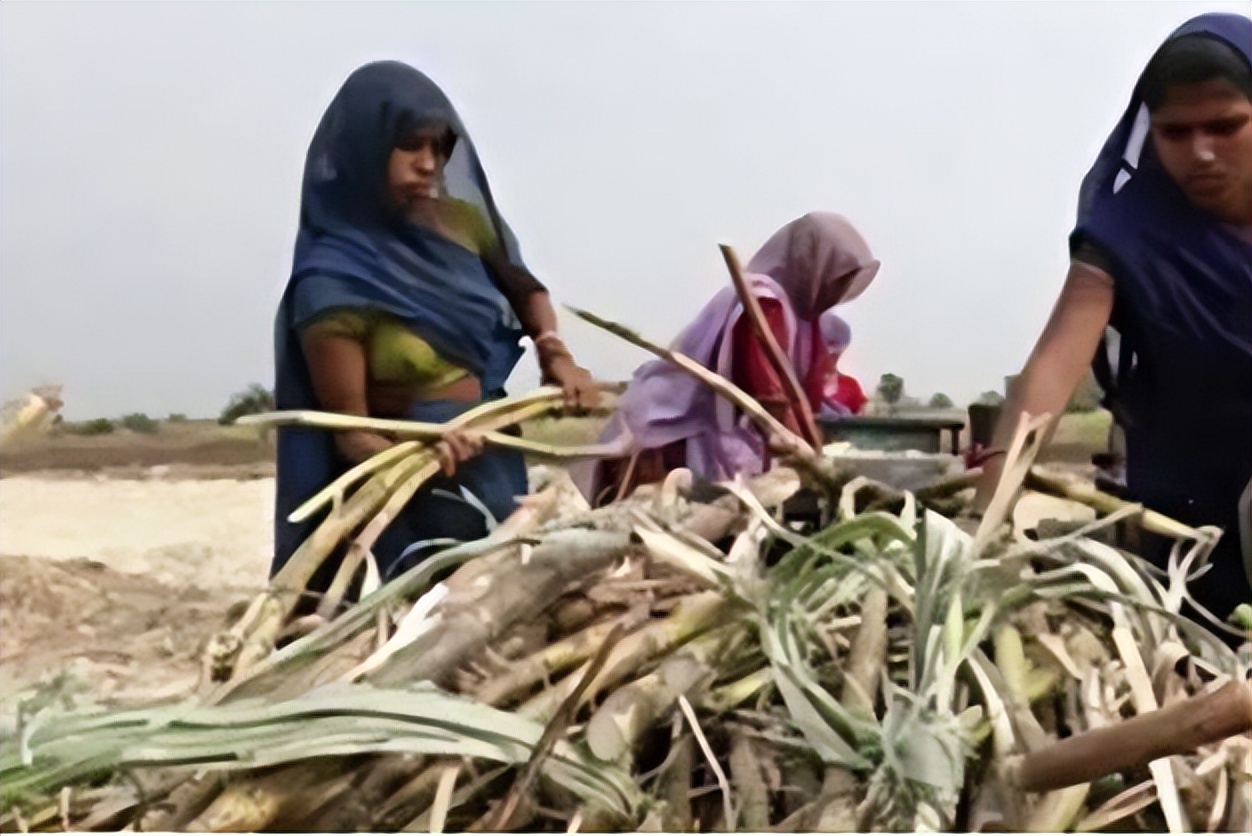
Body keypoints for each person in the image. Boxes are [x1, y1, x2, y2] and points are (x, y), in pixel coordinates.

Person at [271, 61, 598, 588]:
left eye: (439, 149)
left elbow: (526, 288)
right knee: (444, 606)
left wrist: (556, 353)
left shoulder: (461, 224)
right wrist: (427, 445)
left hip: (494, 448)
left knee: (517, 589)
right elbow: (350, 432)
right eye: (411, 146)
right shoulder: (331, 279)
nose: (428, 165)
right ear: (365, 146)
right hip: (418, 479)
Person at [972, 13, 1252, 625]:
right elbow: (1051, 369)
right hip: (1188, 510)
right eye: (1175, 132)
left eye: (1226, 126)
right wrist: (982, 528)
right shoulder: (1126, 232)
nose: (1201, 153)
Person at [580, 212, 879, 505]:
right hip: (679, 432)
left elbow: (808, 395)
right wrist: (808, 455)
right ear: (813, 265)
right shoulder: (765, 303)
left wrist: (819, 439)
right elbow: (769, 392)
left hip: (737, 430)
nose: (839, 290)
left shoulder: (807, 319)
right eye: (838, 279)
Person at [817, 311, 869, 418]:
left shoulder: (850, 386)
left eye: (835, 353)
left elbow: (858, 427)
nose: (831, 358)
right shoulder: (800, 385)